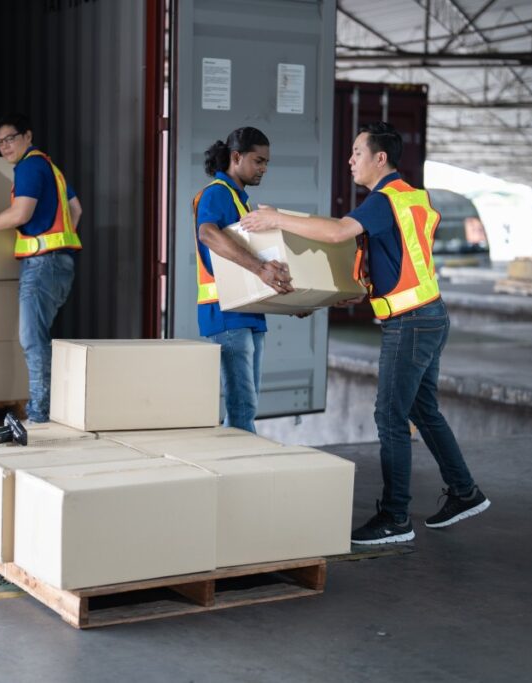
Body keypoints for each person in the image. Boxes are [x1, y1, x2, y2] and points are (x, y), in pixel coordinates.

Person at [240, 121, 489, 543]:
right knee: (423, 411)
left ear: (380, 158)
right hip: (429, 315)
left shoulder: (384, 199)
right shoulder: (413, 197)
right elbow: (400, 261)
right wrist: (355, 292)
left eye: (357, 152)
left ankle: (395, 518)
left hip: (409, 323)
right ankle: (465, 492)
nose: (351, 160)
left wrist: (276, 218)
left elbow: (338, 231)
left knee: (389, 416)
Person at [0, 113, 82, 424]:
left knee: (32, 339)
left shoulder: (28, 166)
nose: (5, 146)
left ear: (28, 136)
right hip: (60, 263)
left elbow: (20, 214)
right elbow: (75, 209)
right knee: (39, 337)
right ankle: (47, 409)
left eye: (10, 139)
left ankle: (39, 413)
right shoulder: (51, 168)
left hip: (41, 265)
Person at [193, 127, 292, 433]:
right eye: (258, 161)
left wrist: (295, 301)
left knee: (247, 404)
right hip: (225, 310)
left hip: (247, 310)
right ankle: (241, 460)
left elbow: (246, 265)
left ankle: (235, 456)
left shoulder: (239, 200)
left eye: (266, 163)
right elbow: (207, 233)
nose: (264, 168)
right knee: (243, 406)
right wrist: (261, 268)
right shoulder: (216, 193)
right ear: (236, 157)